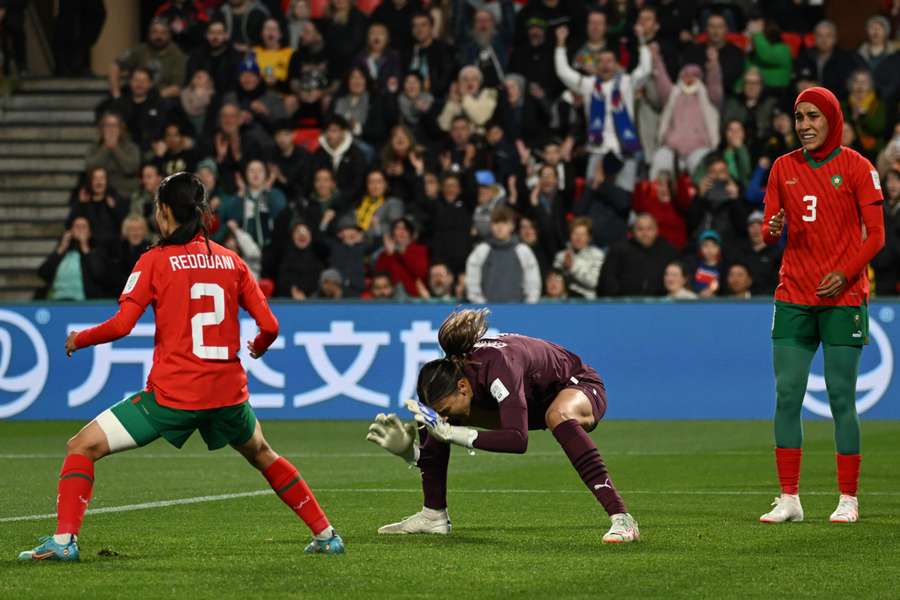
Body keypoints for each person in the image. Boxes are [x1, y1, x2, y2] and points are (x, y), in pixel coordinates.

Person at [19, 172, 343, 561]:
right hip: (227, 395)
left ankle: (64, 541)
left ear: (164, 211)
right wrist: (257, 345)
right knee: (263, 453)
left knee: (81, 447)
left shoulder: (154, 260)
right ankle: (326, 534)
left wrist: (79, 338)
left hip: (174, 396)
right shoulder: (231, 261)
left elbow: (122, 325)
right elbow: (271, 326)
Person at [366, 308, 640, 543]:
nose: (446, 416)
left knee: (557, 415)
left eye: (449, 407)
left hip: (575, 385)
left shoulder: (499, 368)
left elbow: (517, 440)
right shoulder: (446, 375)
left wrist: (453, 433)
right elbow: (440, 426)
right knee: (428, 418)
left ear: (463, 386)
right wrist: (410, 453)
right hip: (529, 399)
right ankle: (433, 515)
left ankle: (622, 519)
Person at [758, 87, 885, 525]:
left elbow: (876, 235)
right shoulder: (782, 167)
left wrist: (847, 273)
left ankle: (848, 497)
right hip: (794, 294)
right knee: (787, 393)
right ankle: (788, 498)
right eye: (799, 117)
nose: (805, 125)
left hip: (843, 298)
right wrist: (771, 228)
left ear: (832, 119)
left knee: (841, 397)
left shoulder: (858, 167)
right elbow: (769, 232)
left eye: (814, 116)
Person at [465, 206, 541, 303]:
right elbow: (472, 280)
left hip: (517, 310)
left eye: (504, 223)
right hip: (488, 311)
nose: (500, 227)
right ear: (491, 226)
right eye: (496, 223)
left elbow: (532, 283)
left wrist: (529, 305)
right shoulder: (482, 250)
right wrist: (480, 303)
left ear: (512, 226)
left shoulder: (522, 250)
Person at [597, 213, 677, 297]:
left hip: (660, 304)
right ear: (633, 231)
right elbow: (607, 280)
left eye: (649, 229)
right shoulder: (619, 250)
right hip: (624, 303)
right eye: (640, 229)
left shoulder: (668, 252)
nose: (645, 233)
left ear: (656, 230)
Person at [109, 18, 186, 100]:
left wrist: (149, 99)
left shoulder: (177, 55)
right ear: (149, 34)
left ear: (169, 35)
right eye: (154, 32)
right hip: (135, 96)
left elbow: (177, 88)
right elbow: (115, 66)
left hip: (162, 98)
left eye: (163, 33)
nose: (158, 36)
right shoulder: (139, 50)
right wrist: (116, 93)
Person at [37, 217, 111, 300]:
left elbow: (99, 274)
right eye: (76, 226)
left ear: (89, 233)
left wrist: (84, 245)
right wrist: (61, 248)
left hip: (84, 303)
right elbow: (43, 273)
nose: (80, 230)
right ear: (70, 231)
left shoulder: (96, 252)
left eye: (83, 227)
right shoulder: (62, 252)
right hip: (57, 301)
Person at [84, 112, 141, 198]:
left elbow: (131, 168)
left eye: (114, 125)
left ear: (121, 128)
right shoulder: (95, 147)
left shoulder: (130, 147)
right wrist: (105, 148)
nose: (111, 129)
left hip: (125, 192)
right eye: (107, 125)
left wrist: (115, 148)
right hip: (100, 192)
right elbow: (90, 167)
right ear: (102, 129)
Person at [552, 217, 604, 299]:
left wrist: (572, 267)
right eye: (575, 234)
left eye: (583, 235)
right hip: (564, 302)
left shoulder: (597, 255)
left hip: (587, 301)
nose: (578, 238)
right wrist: (564, 270)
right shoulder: (561, 256)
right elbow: (554, 283)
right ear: (570, 235)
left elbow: (594, 282)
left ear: (589, 237)